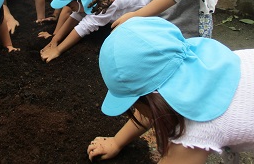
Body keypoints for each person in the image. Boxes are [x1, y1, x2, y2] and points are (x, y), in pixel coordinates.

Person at [87, 16, 254, 163]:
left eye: (133, 102)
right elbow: (154, 100)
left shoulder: (196, 130)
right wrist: (117, 142)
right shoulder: (197, 61)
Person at [40, 0, 151, 63]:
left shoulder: (105, 2)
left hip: (152, 6)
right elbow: (77, 15)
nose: (68, 7)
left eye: (69, 4)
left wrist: (58, 50)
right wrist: (55, 40)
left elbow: (85, 26)